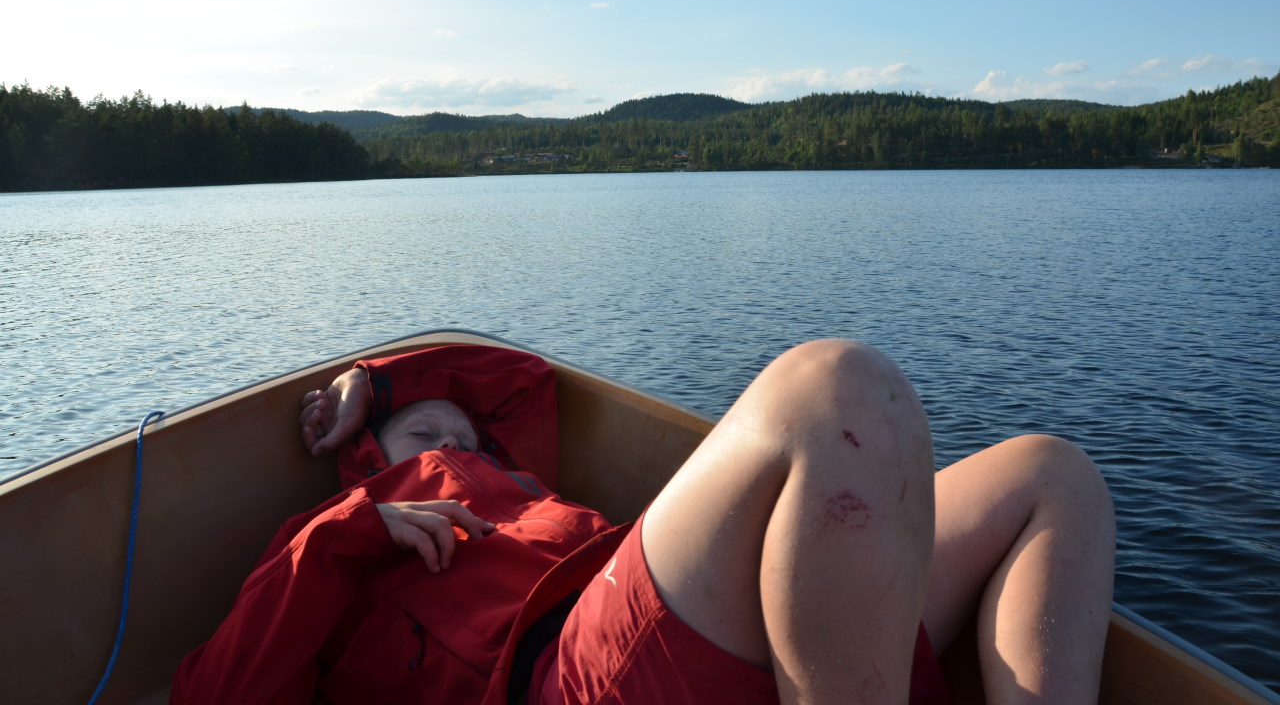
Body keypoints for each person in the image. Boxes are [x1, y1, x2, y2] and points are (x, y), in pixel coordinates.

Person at [171, 341, 1114, 705]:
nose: (461, 438)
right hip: (569, 673)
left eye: (472, 435)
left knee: (1052, 475)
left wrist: (382, 377)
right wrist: (352, 528)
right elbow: (213, 692)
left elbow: (519, 376)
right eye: (426, 428)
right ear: (369, 454)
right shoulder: (338, 530)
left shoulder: (518, 482)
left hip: (699, 620)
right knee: (836, 391)